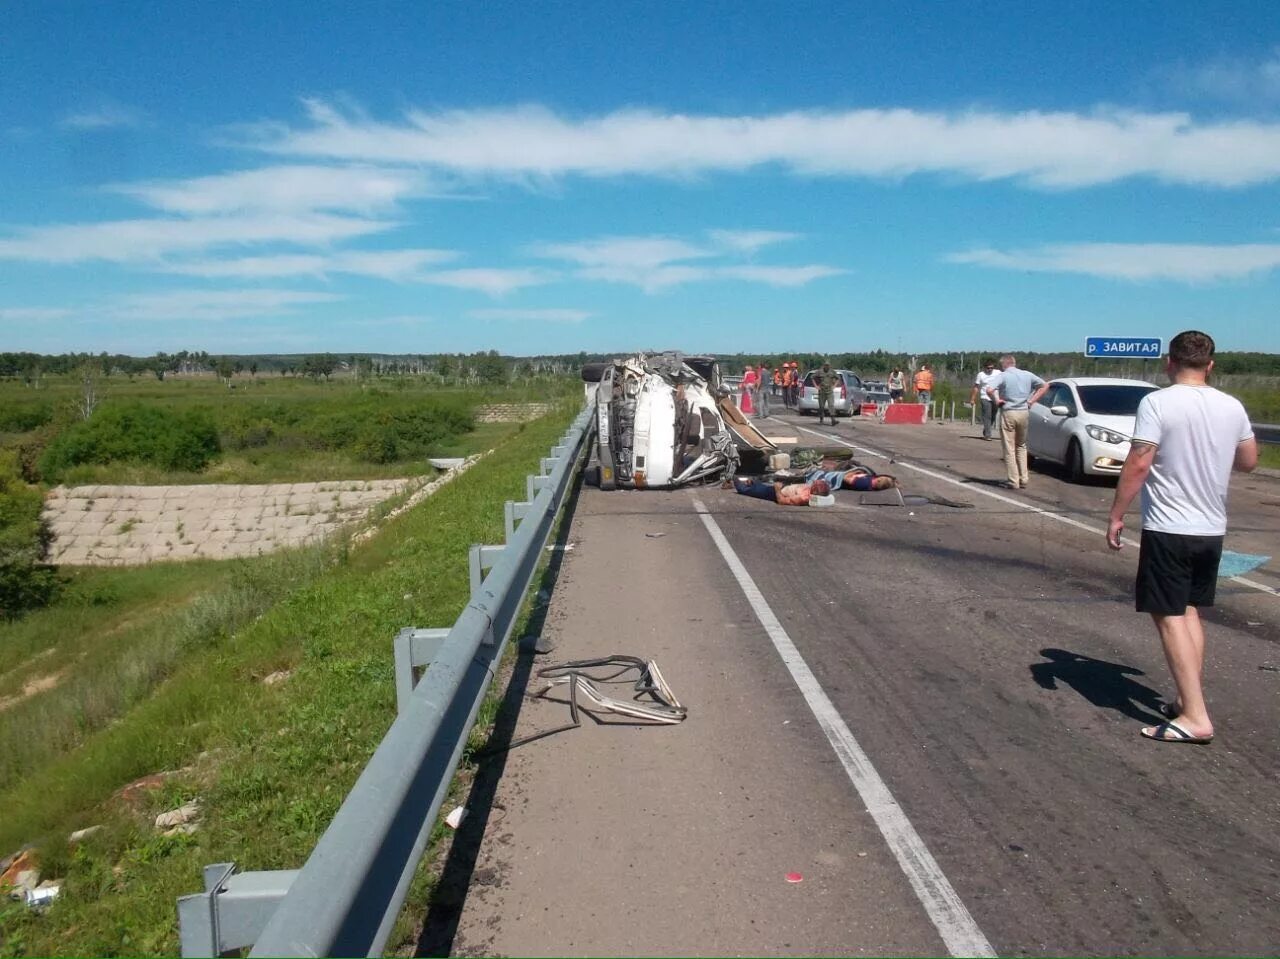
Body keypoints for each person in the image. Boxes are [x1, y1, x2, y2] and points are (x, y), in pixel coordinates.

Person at [1105, 330, 1257, 745]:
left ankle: (1195, 715)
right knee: (1189, 610)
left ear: (1169, 363)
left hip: (1170, 526)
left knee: (1168, 614)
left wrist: (1117, 515)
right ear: (1210, 365)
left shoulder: (1157, 401)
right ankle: (1185, 698)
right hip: (1211, 528)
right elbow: (1249, 461)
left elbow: (1139, 461)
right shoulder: (1231, 405)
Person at [984, 354, 1049, 489]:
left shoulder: (1003, 376)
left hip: (1009, 412)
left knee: (1009, 448)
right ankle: (1024, 478)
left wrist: (997, 400)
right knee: (1021, 446)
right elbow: (1045, 385)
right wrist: (1031, 401)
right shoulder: (1027, 374)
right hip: (1024, 412)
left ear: (1004, 364)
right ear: (1014, 363)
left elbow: (989, 389)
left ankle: (1013, 480)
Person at [733, 476, 830, 505]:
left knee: (744, 490)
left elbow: (781, 501)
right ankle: (753, 483)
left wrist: (777, 489)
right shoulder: (809, 490)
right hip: (781, 487)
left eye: (816, 484)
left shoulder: (803, 498)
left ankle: (732, 479)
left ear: (816, 491)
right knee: (760, 486)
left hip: (775, 493)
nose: (814, 483)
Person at [970, 357, 1001, 441]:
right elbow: (976, 387)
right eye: (988, 368)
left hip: (995, 397)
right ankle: (988, 435)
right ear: (985, 368)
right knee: (987, 416)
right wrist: (973, 398)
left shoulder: (998, 373)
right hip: (985, 397)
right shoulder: (981, 375)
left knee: (993, 416)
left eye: (991, 368)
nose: (990, 369)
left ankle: (986, 430)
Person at [814, 362, 837, 426]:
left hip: (829, 391)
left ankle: (833, 420)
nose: (827, 367)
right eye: (826, 365)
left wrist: (834, 385)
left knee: (831, 405)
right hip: (822, 391)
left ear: (830, 366)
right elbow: (812, 377)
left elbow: (838, 378)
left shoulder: (832, 372)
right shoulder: (819, 372)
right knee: (821, 407)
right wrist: (816, 386)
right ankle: (821, 419)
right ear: (823, 366)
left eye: (828, 365)